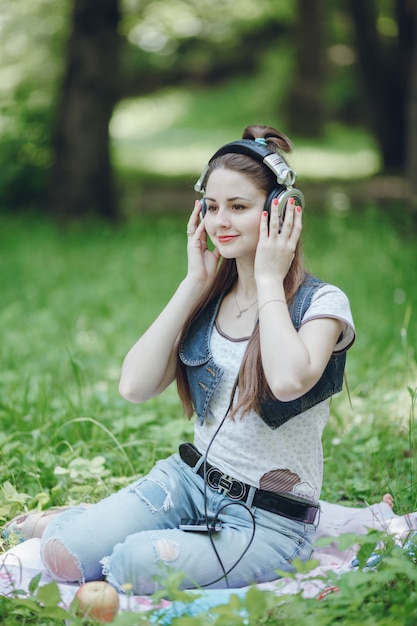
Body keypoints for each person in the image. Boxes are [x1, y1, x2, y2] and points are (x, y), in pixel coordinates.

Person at [4, 124, 355, 595]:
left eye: (238, 207)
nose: (220, 222)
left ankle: (102, 521)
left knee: (129, 565)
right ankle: (78, 522)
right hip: (187, 482)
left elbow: (290, 380)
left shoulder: (322, 303)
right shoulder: (211, 297)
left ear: (280, 213)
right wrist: (193, 283)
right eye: (211, 207)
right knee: (62, 556)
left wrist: (270, 280)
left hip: (269, 521)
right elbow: (134, 387)